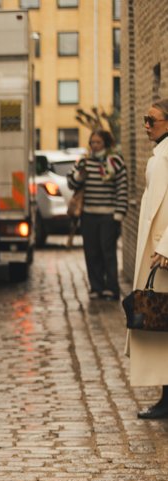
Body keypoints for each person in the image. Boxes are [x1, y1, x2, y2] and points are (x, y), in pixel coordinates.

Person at [129, 99, 168, 420]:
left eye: (151, 120)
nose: (146, 125)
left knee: (162, 326)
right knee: (161, 329)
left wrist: (167, 246)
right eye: (145, 119)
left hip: (164, 254)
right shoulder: (160, 154)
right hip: (158, 254)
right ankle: (166, 397)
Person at [66, 129, 128, 300]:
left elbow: (122, 188)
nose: (94, 145)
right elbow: (71, 183)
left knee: (108, 252)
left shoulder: (115, 161)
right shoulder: (84, 162)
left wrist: (119, 213)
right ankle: (96, 287)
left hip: (109, 215)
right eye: (92, 142)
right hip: (88, 215)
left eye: (98, 142)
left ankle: (112, 288)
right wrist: (80, 176)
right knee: (91, 252)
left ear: (106, 143)